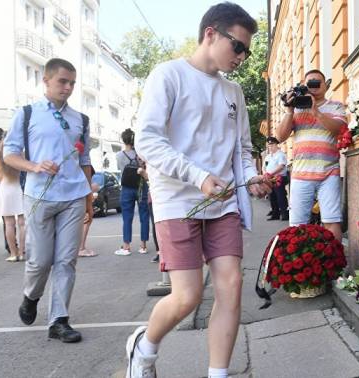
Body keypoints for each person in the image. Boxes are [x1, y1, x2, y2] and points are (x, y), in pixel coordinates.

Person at [126, 3, 272, 378]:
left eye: (247, 51)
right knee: (187, 296)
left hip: (223, 205)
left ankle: (218, 374)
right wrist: (199, 176)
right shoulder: (168, 75)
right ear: (210, 34)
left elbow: (241, 149)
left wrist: (251, 177)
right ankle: (144, 349)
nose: (242, 57)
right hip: (178, 201)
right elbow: (149, 141)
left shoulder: (234, 91)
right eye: (238, 47)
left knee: (232, 285)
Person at [3, 57, 93, 343]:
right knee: (40, 261)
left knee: (66, 260)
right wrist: (34, 166)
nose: (67, 88)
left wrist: (89, 197)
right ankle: (31, 296)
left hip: (74, 197)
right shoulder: (27, 114)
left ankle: (59, 320)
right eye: (62, 82)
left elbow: (86, 161)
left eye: (72, 84)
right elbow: (10, 155)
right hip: (39, 196)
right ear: (46, 80)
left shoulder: (81, 119)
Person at [275, 69, 348, 241]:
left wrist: (316, 112)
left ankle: (334, 263)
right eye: (310, 83)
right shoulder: (297, 109)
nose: (314, 86)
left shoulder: (335, 106)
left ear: (326, 85)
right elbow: (279, 137)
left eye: (318, 82)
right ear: (304, 86)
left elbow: (339, 129)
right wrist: (289, 111)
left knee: (332, 221)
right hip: (301, 174)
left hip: (328, 172)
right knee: (297, 225)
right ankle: (299, 265)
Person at [114, 128, 149, 256]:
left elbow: (120, 169)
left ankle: (126, 246)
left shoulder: (119, 155)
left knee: (127, 217)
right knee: (144, 215)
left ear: (123, 140)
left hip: (127, 188)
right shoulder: (140, 154)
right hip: (141, 186)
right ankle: (143, 246)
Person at [0, 135, 26, 262]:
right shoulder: (19, 154)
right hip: (18, 188)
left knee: (9, 224)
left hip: (5, 189)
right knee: (22, 223)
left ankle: (13, 253)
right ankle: (22, 252)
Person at [263, 136, 288, 221]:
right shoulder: (268, 156)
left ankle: (285, 214)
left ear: (277, 144)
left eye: (272, 144)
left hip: (279, 178)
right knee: (272, 196)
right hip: (270, 179)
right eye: (269, 145)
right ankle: (275, 214)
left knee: (280, 196)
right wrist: (265, 174)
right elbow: (264, 167)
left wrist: (270, 174)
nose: (270, 146)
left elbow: (281, 166)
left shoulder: (280, 154)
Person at [78, 177, 99, 257]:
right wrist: (89, 207)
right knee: (86, 219)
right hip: (78, 195)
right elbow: (87, 182)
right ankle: (81, 248)